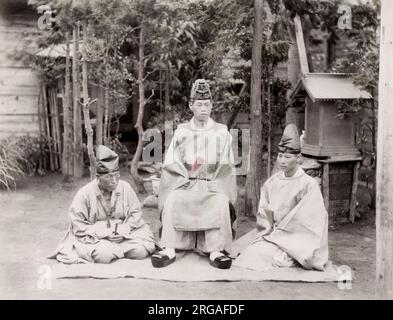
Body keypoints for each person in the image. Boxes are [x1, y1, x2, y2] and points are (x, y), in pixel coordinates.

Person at [151, 79, 237, 269]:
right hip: (185, 182)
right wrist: (185, 180)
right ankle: (170, 248)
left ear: (212, 105)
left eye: (207, 104)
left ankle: (216, 250)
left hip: (213, 183)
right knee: (173, 199)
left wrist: (213, 184)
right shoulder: (181, 132)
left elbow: (227, 167)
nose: (204, 109)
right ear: (191, 106)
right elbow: (171, 163)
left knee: (220, 201)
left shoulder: (222, 133)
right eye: (199, 105)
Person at [233, 124, 329, 271]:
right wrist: (269, 229)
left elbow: (312, 222)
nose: (282, 161)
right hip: (273, 233)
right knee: (246, 254)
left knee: (261, 256)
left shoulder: (308, 185)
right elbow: (265, 213)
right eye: (280, 156)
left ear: (298, 158)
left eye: (288, 157)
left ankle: (286, 254)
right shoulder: (272, 182)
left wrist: (283, 234)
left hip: (297, 237)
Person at [51, 145, 155, 264]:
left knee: (140, 251)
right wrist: (104, 234)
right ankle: (113, 252)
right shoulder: (84, 193)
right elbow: (77, 224)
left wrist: (124, 230)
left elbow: (135, 213)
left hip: (125, 234)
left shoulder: (125, 187)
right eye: (109, 177)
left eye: (117, 175)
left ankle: (116, 252)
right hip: (96, 237)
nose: (114, 181)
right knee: (103, 255)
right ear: (98, 177)